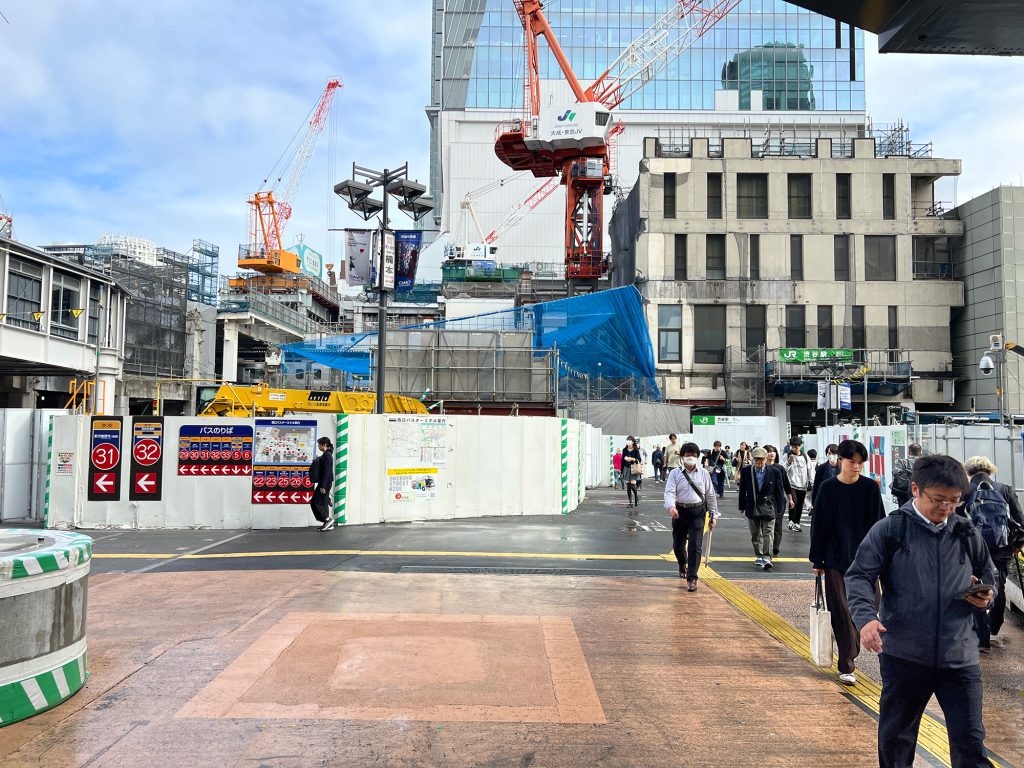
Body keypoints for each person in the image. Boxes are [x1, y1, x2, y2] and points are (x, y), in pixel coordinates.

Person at [846, 454, 998, 768]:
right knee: (897, 742)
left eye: (955, 500)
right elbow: (859, 576)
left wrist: (987, 595)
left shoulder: (966, 531)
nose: (947, 508)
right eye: (939, 499)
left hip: (960, 656)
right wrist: (866, 619)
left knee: (971, 743)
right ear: (916, 489)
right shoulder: (891, 530)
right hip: (905, 656)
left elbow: (988, 574)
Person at [808, 439, 885, 685]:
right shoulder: (828, 488)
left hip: (866, 562)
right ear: (840, 460)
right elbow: (819, 525)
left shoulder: (870, 488)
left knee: (866, 607)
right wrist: (817, 559)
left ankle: (851, 646)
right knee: (841, 611)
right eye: (853, 462)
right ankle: (846, 663)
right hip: (835, 559)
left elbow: (880, 525)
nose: (857, 466)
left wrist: (883, 557)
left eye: (861, 463)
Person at [961, 456, 1024, 651]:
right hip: (1001, 549)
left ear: (969, 472)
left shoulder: (965, 491)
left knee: (975, 586)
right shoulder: (1005, 490)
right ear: (990, 471)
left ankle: (982, 638)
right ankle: (994, 627)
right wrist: (1016, 545)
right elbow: (1020, 522)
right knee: (998, 586)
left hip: (973, 549)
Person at [664, 442, 719, 591]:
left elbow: (710, 495)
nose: (691, 458)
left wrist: (713, 515)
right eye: (688, 455)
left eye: (694, 455)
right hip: (679, 512)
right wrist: (671, 507)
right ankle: (682, 564)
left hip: (698, 512)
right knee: (678, 545)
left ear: (698, 457)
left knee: (695, 545)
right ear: (682, 457)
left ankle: (692, 578)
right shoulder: (675, 473)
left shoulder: (704, 473)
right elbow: (669, 492)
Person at [738, 447, 788, 569]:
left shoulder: (775, 472)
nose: (759, 462)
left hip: (769, 505)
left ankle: (767, 556)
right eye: (756, 460)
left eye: (761, 459)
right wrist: (741, 506)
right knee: (755, 533)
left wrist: (780, 508)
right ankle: (759, 555)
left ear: (766, 459)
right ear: (753, 460)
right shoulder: (746, 471)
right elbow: (742, 490)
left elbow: (779, 491)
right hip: (752, 505)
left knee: (768, 532)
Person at [764, 444, 795, 559]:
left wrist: (790, 499)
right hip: (765, 501)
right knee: (766, 525)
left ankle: (775, 547)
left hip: (779, 500)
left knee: (777, 524)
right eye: (769, 451)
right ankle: (767, 546)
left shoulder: (780, 468)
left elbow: (786, 485)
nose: (772, 453)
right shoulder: (761, 468)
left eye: (773, 451)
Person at [785, 436, 814, 533]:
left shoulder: (805, 457)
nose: (794, 449)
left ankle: (797, 523)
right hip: (792, 484)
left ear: (800, 446)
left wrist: (812, 482)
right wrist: (788, 463)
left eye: (796, 446)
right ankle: (791, 521)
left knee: (800, 505)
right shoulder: (787, 455)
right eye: (793, 446)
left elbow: (810, 470)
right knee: (794, 502)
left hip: (803, 484)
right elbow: (783, 470)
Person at [309, 437, 335, 531]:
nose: (318, 446)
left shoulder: (327, 455)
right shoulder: (326, 454)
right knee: (323, 503)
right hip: (325, 482)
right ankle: (328, 524)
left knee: (315, 502)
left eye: (319, 444)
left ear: (324, 445)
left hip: (325, 483)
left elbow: (326, 472)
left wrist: (322, 486)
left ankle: (327, 520)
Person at [890, 442, 922, 507]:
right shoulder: (925, 463)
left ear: (909, 452)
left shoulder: (902, 462)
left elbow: (894, 472)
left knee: (904, 509)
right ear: (920, 453)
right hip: (920, 492)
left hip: (904, 492)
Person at [622, 437, 642, 509]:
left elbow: (639, 459)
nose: (628, 441)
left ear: (633, 442)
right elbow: (622, 461)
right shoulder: (624, 450)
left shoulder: (636, 450)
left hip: (634, 469)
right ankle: (630, 502)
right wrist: (621, 470)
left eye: (629, 440)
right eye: (627, 440)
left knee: (633, 485)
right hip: (626, 468)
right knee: (628, 486)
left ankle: (636, 498)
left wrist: (632, 459)